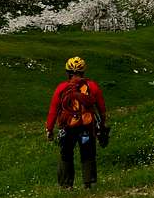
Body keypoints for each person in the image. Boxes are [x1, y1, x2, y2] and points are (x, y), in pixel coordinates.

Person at [45, 56, 108, 189]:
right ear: (83, 72)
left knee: (66, 154)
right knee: (88, 153)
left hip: (68, 128)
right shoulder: (92, 86)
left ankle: (66, 185)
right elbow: (101, 108)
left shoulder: (62, 87)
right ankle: (88, 183)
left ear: (68, 72)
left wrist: (49, 129)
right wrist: (102, 124)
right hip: (86, 127)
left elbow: (53, 110)